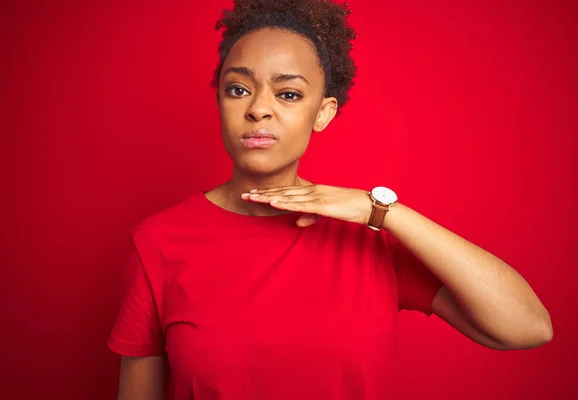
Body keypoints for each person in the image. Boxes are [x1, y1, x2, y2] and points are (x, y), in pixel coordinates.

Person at [108, 0, 553, 399]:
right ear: (221, 102)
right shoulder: (159, 242)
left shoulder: (370, 238)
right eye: (238, 89)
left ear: (322, 113)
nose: (258, 109)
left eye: (288, 94)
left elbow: (526, 328)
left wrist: (382, 212)